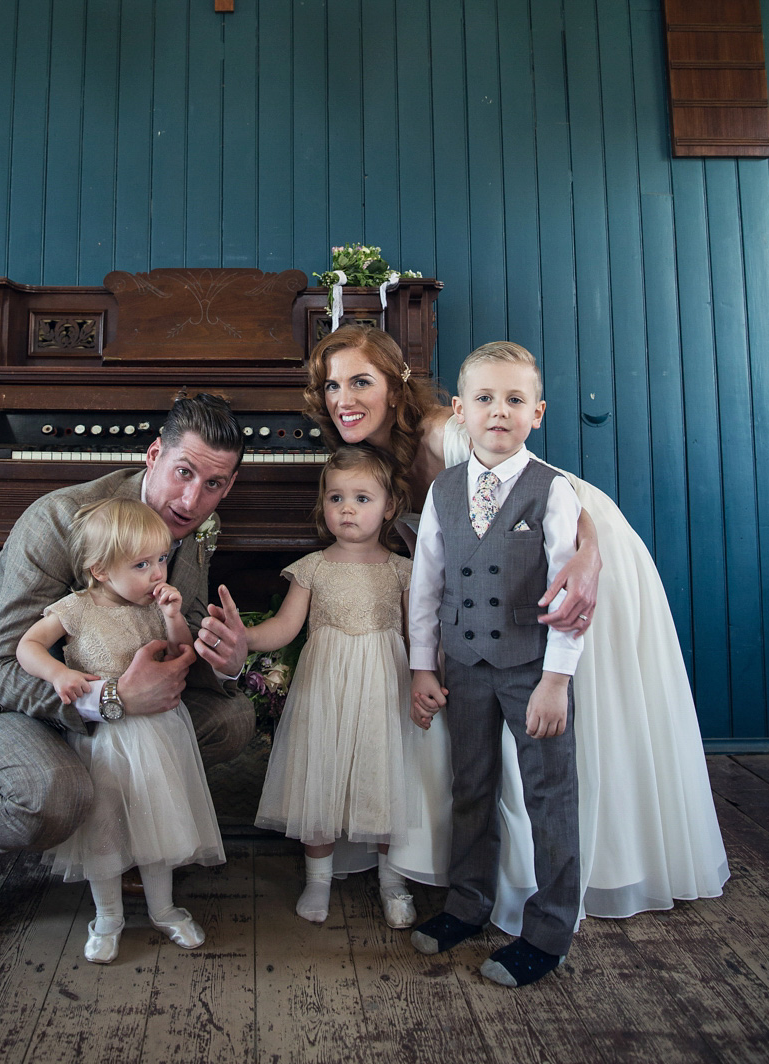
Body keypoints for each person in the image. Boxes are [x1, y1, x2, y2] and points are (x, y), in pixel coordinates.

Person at [304, 325, 728, 924]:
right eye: (331, 386)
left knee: (571, 718)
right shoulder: (373, 456)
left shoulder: (447, 431)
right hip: (497, 591)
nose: (343, 398)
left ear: (398, 387)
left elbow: (549, 493)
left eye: (360, 382)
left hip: (570, 554)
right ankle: (481, 876)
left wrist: (589, 556)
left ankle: (574, 873)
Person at [0, 392, 254, 949]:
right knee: (54, 795)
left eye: (213, 484)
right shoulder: (59, 520)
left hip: (106, 695)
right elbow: (0, 667)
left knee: (231, 717)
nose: (192, 500)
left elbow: (176, 635)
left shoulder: (188, 530)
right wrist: (112, 700)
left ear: (229, 484)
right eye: (183, 473)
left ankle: (128, 838)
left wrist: (227, 661)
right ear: (154, 454)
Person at [409, 342, 584, 986]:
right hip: (463, 666)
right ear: (460, 412)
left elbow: (569, 598)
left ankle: (549, 929)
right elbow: (427, 585)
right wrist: (423, 668)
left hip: (533, 670)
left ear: (536, 413)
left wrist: (557, 681)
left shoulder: (552, 491)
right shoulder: (443, 491)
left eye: (515, 400)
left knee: (548, 795)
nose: (499, 411)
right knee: (471, 788)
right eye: (484, 398)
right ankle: (466, 902)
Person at [17, 497, 224, 962]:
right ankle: (107, 916)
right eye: (142, 564)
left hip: (158, 733)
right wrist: (57, 673)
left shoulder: (152, 605)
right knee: (104, 831)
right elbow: (27, 646)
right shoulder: (77, 608)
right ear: (101, 570)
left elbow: (179, 654)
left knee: (158, 823)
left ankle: (164, 909)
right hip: (104, 739)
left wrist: (174, 617)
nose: (157, 573)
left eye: (161, 560)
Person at [247, 445, 420, 929]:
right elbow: (284, 628)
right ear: (322, 505)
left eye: (362, 498)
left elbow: (417, 636)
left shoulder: (400, 570)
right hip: (324, 689)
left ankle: (393, 880)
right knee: (316, 779)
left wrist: (431, 677)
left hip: (384, 687)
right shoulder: (313, 567)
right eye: (336, 497)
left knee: (384, 779)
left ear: (388, 507)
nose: (347, 508)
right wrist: (244, 638)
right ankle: (318, 877)